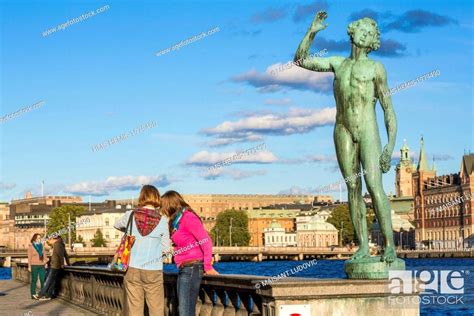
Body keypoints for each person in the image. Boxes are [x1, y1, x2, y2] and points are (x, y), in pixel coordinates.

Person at [294, 11, 397, 263]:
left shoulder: (376, 68)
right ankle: (363, 246)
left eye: (369, 32)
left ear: (373, 41)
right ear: (353, 33)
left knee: (374, 186)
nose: (364, 34)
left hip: (368, 130)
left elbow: (388, 109)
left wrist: (389, 146)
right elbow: (301, 60)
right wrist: (312, 31)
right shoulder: (338, 64)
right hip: (342, 129)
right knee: (352, 187)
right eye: (361, 29)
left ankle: (390, 247)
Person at [114, 185, 170, 316]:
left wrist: (129, 232)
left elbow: (116, 224)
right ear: (156, 198)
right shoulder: (162, 221)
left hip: (132, 267)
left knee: (135, 308)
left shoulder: (130, 215)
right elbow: (166, 250)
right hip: (153, 269)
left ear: (142, 197)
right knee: (156, 308)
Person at [161, 190, 218, 316]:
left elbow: (206, 241)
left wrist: (208, 266)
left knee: (185, 311)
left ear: (170, 205)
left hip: (192, 267)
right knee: (185, 309)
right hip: (185, 268)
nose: (163, 211)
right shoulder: (177, 221)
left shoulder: (188, 217)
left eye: (163, 207)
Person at [39, 236, 70, 300]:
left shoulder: (56, 245)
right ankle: (48, 295)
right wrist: (69, 264)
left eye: (50, 240)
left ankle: (41, 293)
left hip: (55, 265)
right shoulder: (61, 244)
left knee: (49, 280)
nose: (49, 241)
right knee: (53, 281)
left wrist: (62, 264)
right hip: (56, 265)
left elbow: (60, 255)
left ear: (54, 239)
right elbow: (65, 255)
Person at [27, 233, 47, 300]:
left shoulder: (42, 246)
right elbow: (29, 257)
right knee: (34, 280)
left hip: (41, 265)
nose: (39, 239)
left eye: (40, 238)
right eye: (38, 238)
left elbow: (44, 255)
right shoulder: (31, 247)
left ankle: (42, 294)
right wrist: (29, 266)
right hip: (34, 265)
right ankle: (33, 294)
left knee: (43, 280)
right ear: (34, 239)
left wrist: (45, 262)